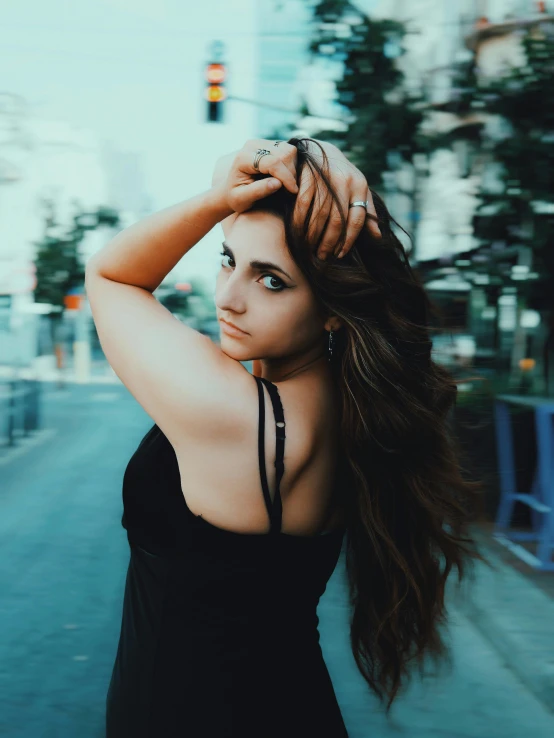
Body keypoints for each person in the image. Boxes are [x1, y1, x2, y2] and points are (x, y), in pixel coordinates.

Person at [86, 138, 484, 737]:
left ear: (331, 308)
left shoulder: (235, 415)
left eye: (271, 281)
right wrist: (313, 158)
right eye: (228, 261)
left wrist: (220, 199)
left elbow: (112, 276)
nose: (228, 298)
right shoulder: (359, 409)